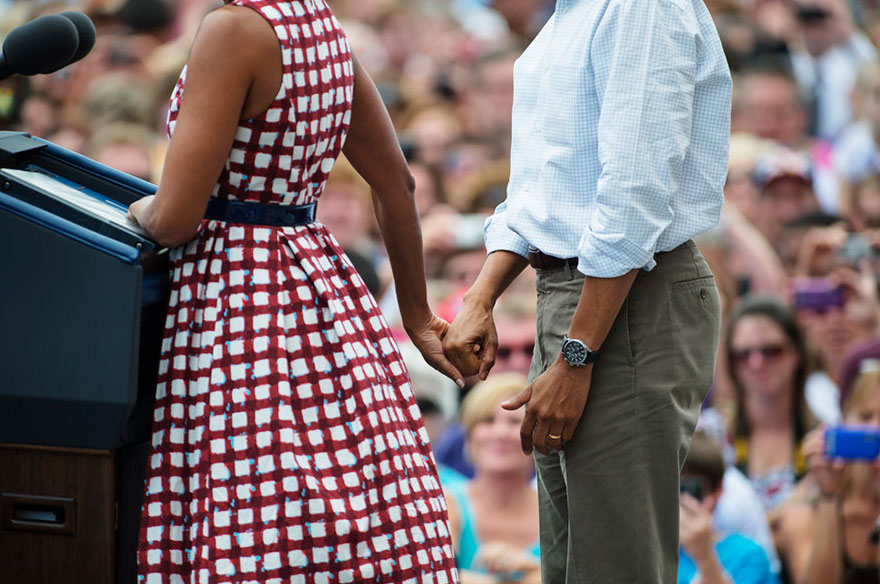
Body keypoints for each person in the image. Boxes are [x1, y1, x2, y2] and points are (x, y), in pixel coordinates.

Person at [127, 0, 462, 581]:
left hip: (234, 294)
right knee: (330, 501)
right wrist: (416, 315)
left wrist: (135, 209)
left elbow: (175, 219)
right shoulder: (318, 24)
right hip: (314, 276)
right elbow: (396, 183)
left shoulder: (233, 29)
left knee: (249, 515)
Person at [443, 0, 732, 581]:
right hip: (577, 298)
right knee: (571, 566)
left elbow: (634, 196)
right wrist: (481, 296)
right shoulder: (567, 16)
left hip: (625, 298)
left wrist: (578, 354)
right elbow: (541, 192)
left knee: (612, 568)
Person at [775, 369, 880, 584]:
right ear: (843, 420)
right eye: (865, 416)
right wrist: (828, 493)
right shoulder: (803, 515)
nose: (875, 429)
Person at [444, 373, 541, 584]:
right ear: (468, 437)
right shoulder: (444, 505)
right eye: (487, 420)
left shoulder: (559, 511)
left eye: (514, 421)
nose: (500, 432)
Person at [724, 297, 818, 513]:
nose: (756, 364)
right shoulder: (708, 435)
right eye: (743, 355)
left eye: (771, 351)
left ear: (797, 353)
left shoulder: (822, 439)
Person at [678, 431, 779, 584]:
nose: (681, 499)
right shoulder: (649, 556)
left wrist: (705, 558)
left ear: (717, 491)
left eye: (690, 489)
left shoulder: (748, 555)